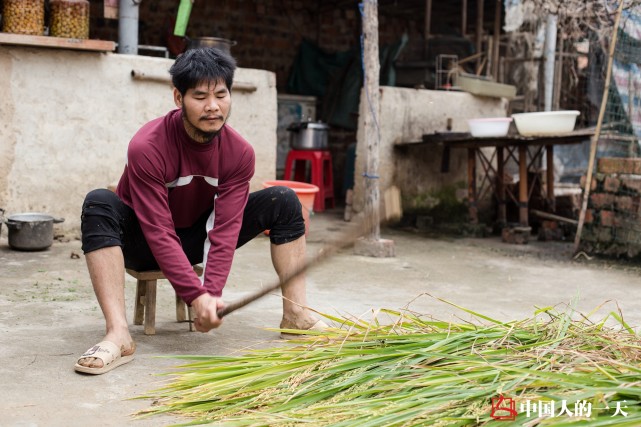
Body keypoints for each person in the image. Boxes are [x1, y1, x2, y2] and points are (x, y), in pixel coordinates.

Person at [74, 47, 326, 375]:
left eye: (221, 94)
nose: (212, 106)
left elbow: (224, 229)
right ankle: (118, 335)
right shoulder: (147, 147)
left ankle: (296, 315)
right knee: (98, 202)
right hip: (141, 240)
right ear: (178, 98)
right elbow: (159, 231)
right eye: (200, 96)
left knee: (283, 200)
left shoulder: (239, 154)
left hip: (193, 236)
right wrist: (195, 296)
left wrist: (212, 295)